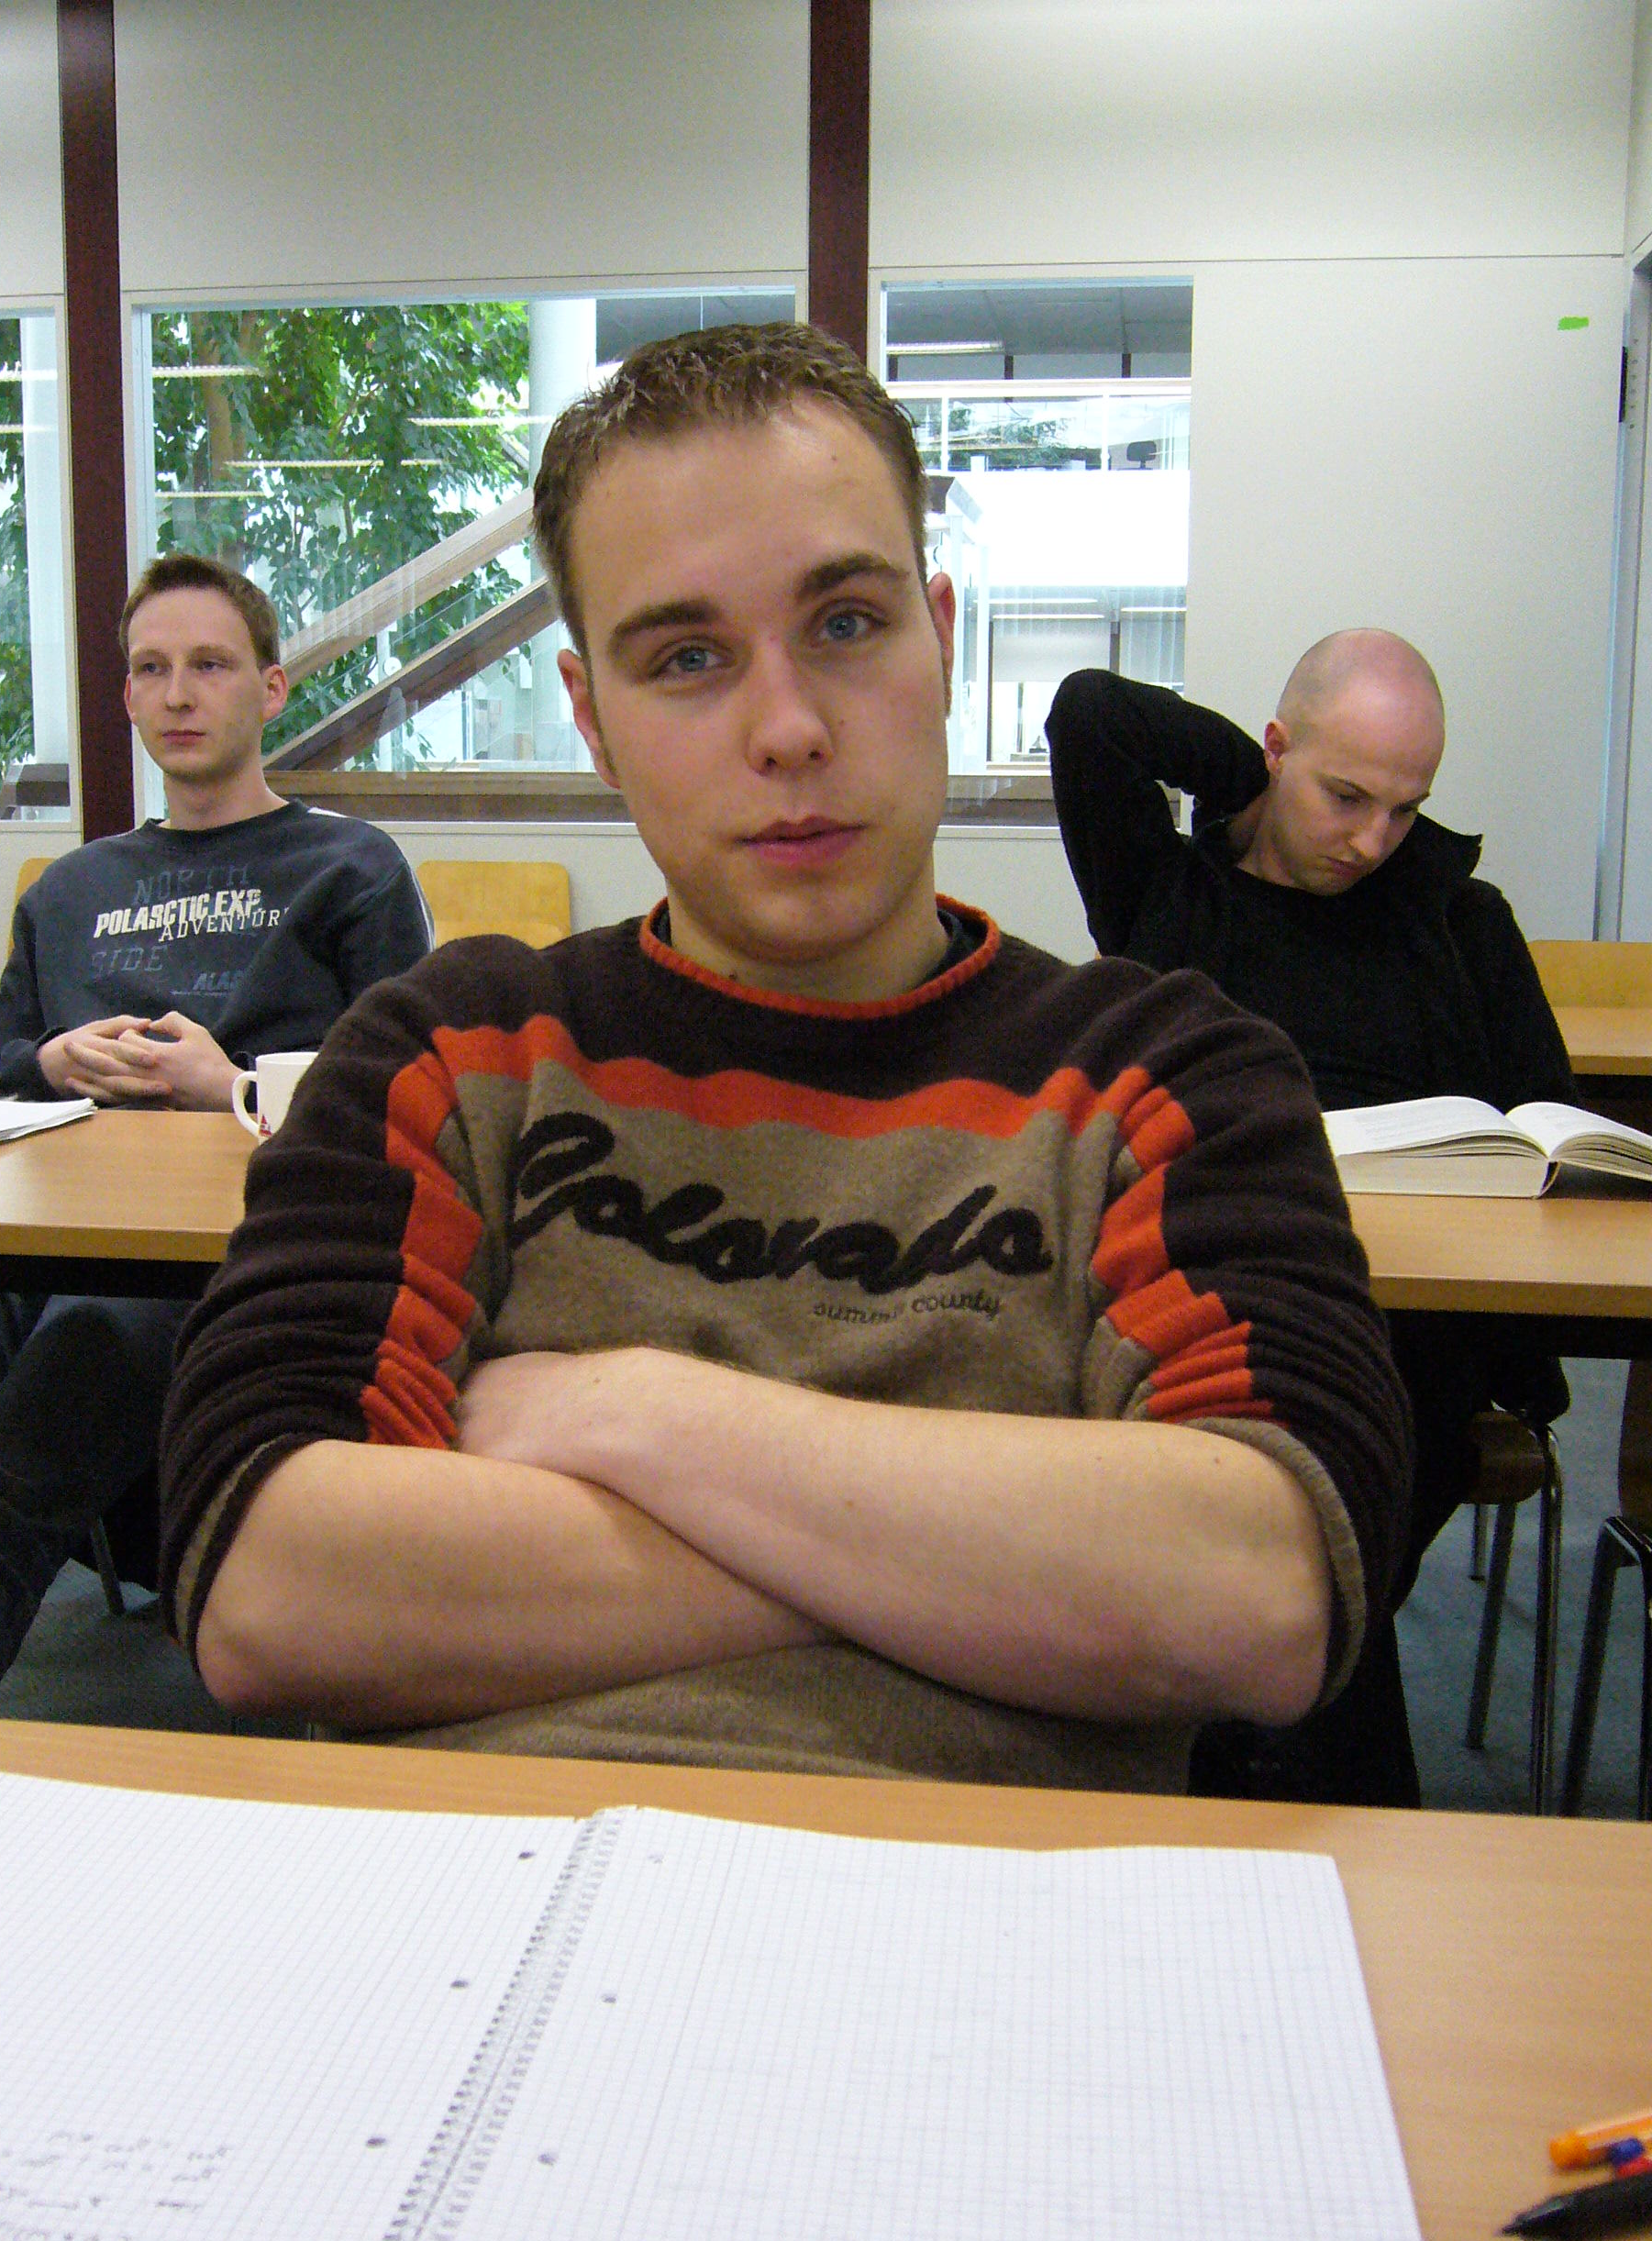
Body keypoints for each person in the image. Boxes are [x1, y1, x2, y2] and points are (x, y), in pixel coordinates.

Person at [159, 325, 1410, 1793]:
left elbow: (1263, 1592)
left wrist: (633, 1417)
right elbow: (263, 1583)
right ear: (594, 723)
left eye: (848, 625)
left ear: (940, 638)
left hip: (996, 1904)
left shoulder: (1163, 1075)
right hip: (484, 1890)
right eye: (687, 659)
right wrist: (985, 1570)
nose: (791, 728)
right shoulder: (453, 1053)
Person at [0, 551, 431, 1714]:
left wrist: (225, 1085)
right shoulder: (70, 887)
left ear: (271, 689)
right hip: (33, 1231)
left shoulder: (351, 869)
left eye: (211, 665)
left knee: (3, 1476)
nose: (179, 694)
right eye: (151, 669)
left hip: (204, 1256)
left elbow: (410, 1102)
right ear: (127, 696)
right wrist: (51, 1060)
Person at [1046, 638, 1576, 1803]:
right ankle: (1307, 1758)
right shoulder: (1169, 893)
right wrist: (1245, 781)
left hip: (1411, 1317)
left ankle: (1250, 1741)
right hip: (1209, 1295)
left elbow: (1551, 1123)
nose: (1372, 841)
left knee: (1333, 1458)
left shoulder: (1459, 920)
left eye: (1405, 809)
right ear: (1278, 750)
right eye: (1345, 795)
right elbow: (1092, 715)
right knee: (1283, 1466)